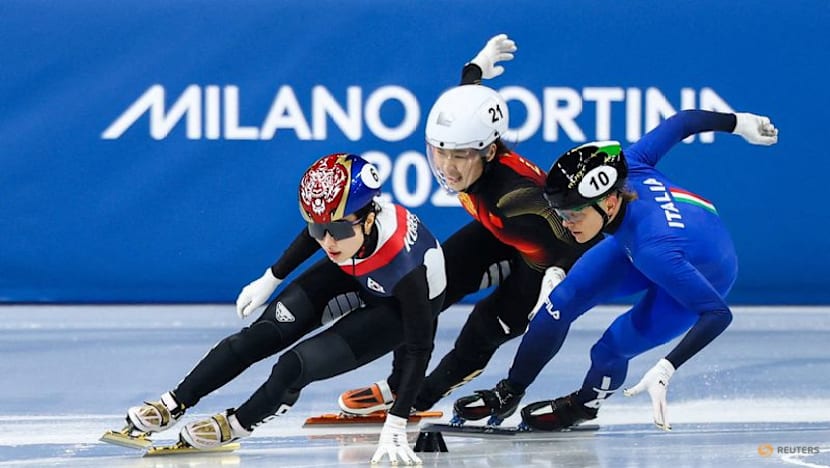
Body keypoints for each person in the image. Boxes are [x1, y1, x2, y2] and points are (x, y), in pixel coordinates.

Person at [453, 109, 779, 431]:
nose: (566, 225)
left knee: (610, 349)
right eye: (561, 213)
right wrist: (740, 123)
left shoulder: (654, 251)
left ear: (608, 203)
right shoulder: (630, 162)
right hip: (653, 241)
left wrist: (667, 366)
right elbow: (683, 122)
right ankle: (510, 391)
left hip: (701, 271)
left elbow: (718, 314)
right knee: (559, 303)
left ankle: (583, 405)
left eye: (574, 215)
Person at [119, 153, 446, 465]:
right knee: (256, 338)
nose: (328, 242)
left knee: (294, 366)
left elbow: (420, 346)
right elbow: (316, 234)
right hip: (353, 271)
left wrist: (398, 419)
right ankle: (174, 402)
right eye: (320, 229)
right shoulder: (341, 236)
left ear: (370, 217)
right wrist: (271, 277)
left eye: (340, 229)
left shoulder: (404, 267)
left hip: (399, 309)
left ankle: (237, 423)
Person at [338, 35, 593, 424]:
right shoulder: (472, 139)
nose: (448, 167)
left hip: (546, 260)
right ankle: (398, 384)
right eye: (439, 151)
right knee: (423, 286)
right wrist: (475, 69)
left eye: (459, 156)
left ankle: (419, 397)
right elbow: (466, 99)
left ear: (490, 151)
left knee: (483, 327)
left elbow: (577, 238)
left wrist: (561, 279)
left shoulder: (512, 200)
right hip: (503, 235)